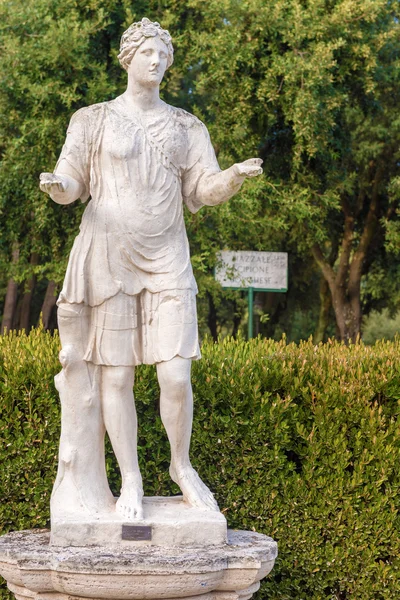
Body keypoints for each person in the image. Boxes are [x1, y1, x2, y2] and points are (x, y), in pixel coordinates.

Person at [40, 18, 263, 521]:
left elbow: (201, 191)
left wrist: (230, 179)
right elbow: (73, 180)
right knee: (115, 378)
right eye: (148, 53)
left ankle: (181, 467)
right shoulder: (91, 119)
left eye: (164, 54)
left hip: (167, 258)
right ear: (128, 57)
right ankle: (131, 482)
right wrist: (59, 186)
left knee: (176, 375)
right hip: (109, 257)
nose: (157, 61)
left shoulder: (187, 126)